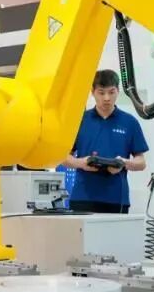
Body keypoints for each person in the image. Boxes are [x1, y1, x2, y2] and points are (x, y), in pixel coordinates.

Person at [62, 69, 149, 214]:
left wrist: (124, 163)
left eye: (111, 92)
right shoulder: (79, 121)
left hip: (116, 200)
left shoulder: (130, 122)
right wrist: (81, 163)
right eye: (101, 93)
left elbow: (141, 162)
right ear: (92, 92)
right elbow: (63, 157)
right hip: (83, 198)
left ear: (118, 91)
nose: (107, 98)